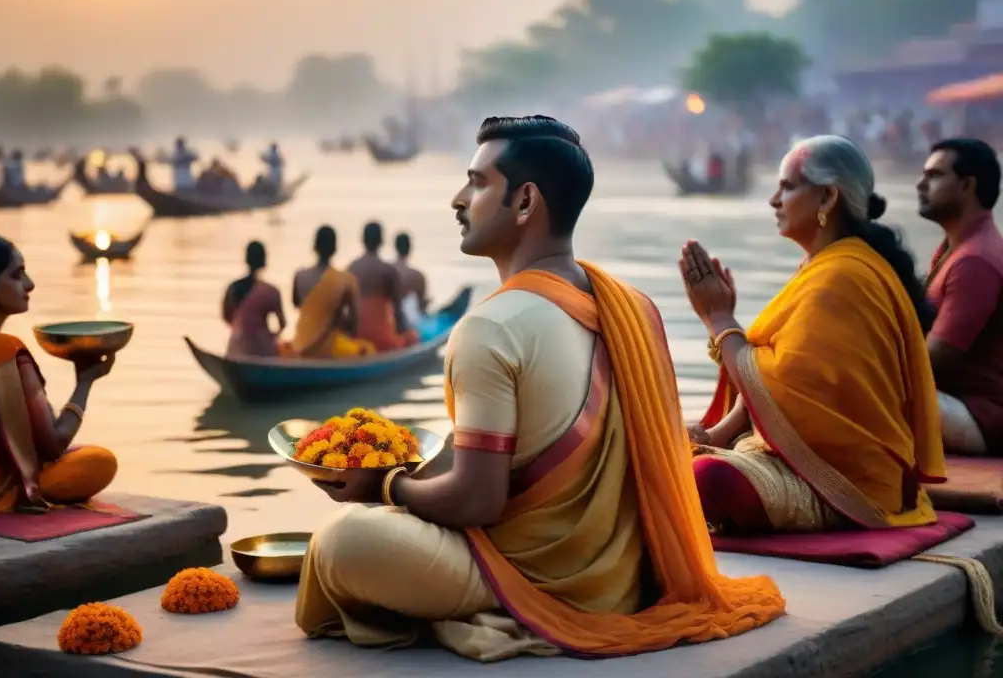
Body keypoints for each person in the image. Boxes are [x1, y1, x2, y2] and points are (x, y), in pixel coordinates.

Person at [295, 115, 784, 660]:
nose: (458, 199)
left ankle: (499, 604)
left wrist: (385, 487)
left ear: (525, 202)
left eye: (478, 183)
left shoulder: (490, 327)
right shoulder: (634, 307)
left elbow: (477, 499)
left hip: (536, 583)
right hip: (624, 585)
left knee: (343, 541)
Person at [686, 135, 946, 534]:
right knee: (658, 449)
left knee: (708, 480)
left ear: (826, 198)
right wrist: (715, 434)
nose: (774, 200)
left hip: (843, 479)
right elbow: (782, 384)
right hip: (792, 453)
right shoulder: (824, 266)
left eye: (787, 187)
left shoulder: (843, 277)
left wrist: (720, 319)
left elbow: (779, 387)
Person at [0, 235, 117, 513]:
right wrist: (85, 382)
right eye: (17, 275)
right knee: (100, 460)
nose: (30, 284)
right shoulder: (5, 351)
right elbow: (52, 444)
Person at [918, 138, 1003, 455]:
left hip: (980, 417)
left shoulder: (975, 261)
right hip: (954, 403)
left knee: (848, 384)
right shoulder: (956, 249)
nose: (920, 184)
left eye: (934, 176)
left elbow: (931, 363)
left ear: (967, 185)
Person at [284, 226, 375, 359]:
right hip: (330, 349)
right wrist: (336, 321)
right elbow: (354, 324)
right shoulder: (346, 280)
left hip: (300, 344)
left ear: (314, 247)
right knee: (368, 349)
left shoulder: (299, 276)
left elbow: (297, 305)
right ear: (335, 249)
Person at [347, 222, 418, 352]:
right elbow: (398, 314)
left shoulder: (351, 268)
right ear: (381, 241)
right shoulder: (388, 270)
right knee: (414, 337)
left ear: (362, 240)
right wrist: (408, 335)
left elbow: (347, 310)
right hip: (382, 340)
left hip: (355, 337)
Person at [222, 241, 285, 358]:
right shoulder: (272, 291)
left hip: (237, 349)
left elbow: (226, 317)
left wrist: (241, 329)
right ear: (264, 262)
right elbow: (282, 324)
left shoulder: (232, 288)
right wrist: (272, 336)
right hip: (263, 350)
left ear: (246, 260)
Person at [392, 232, 428, 333]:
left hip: (388, 321)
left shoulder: (386, 270)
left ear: (395, 247)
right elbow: (422, 309)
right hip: (406, 326)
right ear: (410, 248)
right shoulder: (417, 276)